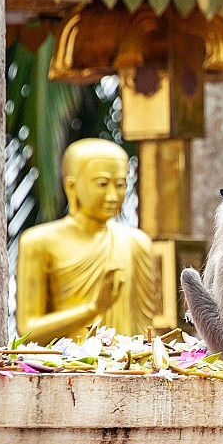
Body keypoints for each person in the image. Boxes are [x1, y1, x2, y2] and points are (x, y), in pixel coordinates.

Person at [16, 138, 157, 344]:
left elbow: (145, 331)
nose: (112, 196)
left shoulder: (136, 243)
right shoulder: (39, 242)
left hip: (127, 367)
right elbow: (28, 331)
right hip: (64, 368)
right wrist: (92, 309)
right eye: (102, 184)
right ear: (72, 186)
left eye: (120, 184)